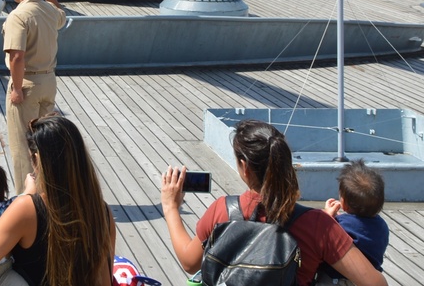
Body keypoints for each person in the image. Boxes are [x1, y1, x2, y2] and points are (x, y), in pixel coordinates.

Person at [160, 119, 387, 286]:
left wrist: (171, 207)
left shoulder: (222, 210)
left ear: (245, 167)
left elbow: (189, 263)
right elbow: (376, 283)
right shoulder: (319, 225)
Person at [0, 115, 115, 286]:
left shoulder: (27, 208)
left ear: (37, 159)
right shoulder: (102, 212)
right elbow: (104, 281)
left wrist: (25, 195)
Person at [2, 0, 67, 194]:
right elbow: (62, 17)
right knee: (46, 143)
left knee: (22, 146)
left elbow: (17, 56)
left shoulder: (18, 16)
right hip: (49, 82)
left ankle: (24, 198)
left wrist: (17, 89)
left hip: (27, 85)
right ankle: (48, 192)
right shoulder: (49, 10)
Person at [318, 159, 389, 284]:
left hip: (335, 280)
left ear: (343, 204)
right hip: (368, 279)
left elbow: (319, 236)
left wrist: (327, 216)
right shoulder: (382, 226)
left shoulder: (338, 225)